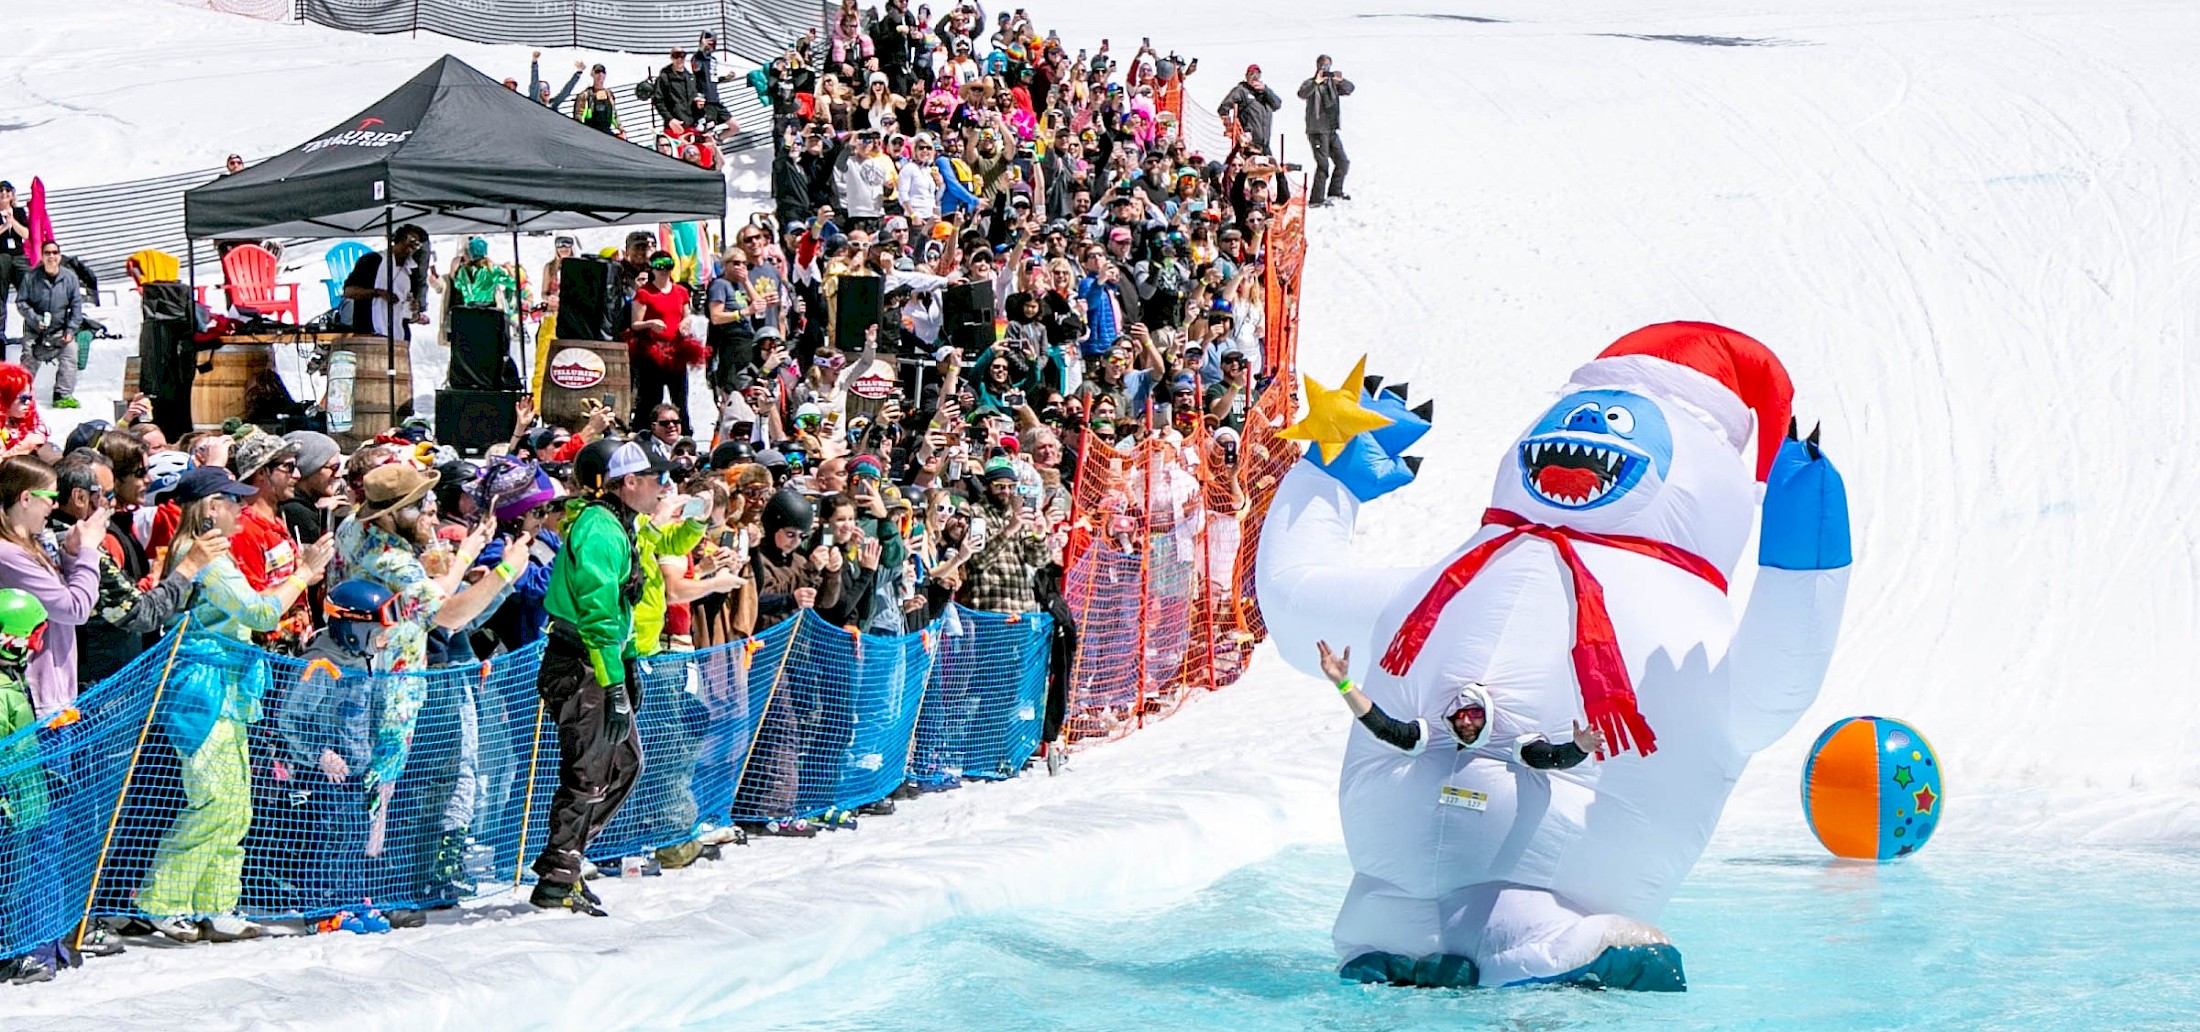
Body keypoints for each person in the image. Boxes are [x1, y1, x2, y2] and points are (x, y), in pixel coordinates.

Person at [138, 465, 333, 943]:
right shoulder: (202, 556)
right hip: (203, 694)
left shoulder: (213, 552)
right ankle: (162, 902)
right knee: (213, 801)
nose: (243, 508)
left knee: (236, 806)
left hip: (229, 691)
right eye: (233, 500)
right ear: (210, 507)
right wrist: (304, 574)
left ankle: (216, 904)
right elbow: (260, 612)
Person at [530, 439, 663, 914]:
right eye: (655, 480)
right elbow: (598, 615)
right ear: (629, 483)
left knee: (624, 764)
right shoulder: (601, 531)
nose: (662, 489)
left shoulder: (621, 525)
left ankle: (565, 859)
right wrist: (612, 686)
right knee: (587, 773)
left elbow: (624, 609)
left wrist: (627, 664)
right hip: (579, 662)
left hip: (602, 661)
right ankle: (558, 877)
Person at [1314, 641, 1604, 766]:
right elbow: (1384, 727)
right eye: (1461, 715)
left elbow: (1550, 758)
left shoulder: (1510, 743)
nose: (1466, 721)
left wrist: (1578, 749)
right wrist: (1343, 683)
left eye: (1475, 714)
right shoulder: (1434, 736)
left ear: (1487, 714)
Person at [628, 250, 704, 433]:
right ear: (652, 269)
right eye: (659, 267)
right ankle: (646, 432)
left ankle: (684, 433)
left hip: (676, 352)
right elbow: (635, 324)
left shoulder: (681, 291)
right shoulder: (645, 293)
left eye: (668, 266)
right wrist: (650, 323)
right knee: (650, 399)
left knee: (680, 398)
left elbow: (687, 316)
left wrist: (686, 323)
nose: (664, 271)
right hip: (653, 353)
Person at [16, 241, 83, 408]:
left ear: (59, 256)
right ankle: (22, 394)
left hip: (59, 331)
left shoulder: (70, 278)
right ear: (42, 256)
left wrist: (71, 330)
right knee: (27, 358)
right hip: (35, 331)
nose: (51, 256)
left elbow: (76, 306)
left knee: (71, 352)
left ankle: (63, 395)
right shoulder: (31, 277)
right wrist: (35, 319)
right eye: (47, 253)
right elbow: (21, 302)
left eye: (54, 253)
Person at [341, 223, 430, 338]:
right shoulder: (372, 261)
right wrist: (378, 293)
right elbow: (349, 292)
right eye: (410, 240)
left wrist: (414, 312)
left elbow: (409, 316)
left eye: (416, 244)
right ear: (398, 238)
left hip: (399, 338)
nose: (412, 246)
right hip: (370, 333)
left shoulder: (411, 273)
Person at [1297, 56, 1354, 206]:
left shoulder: (1333, 84)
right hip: (1316, 130)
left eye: (1328, 66)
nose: (1325, 69)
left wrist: (1340, 80)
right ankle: (1316, 200)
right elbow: (1302, 94)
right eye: (1323, 66)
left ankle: (1335, 191)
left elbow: (1349, 89)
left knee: (1342, 162)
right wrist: (1316, 82)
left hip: (1331, 129)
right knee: (1323, 165)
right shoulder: (1311, 83)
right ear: (1317, 66)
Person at [1218, 65, 1283, 154]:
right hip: (1248, 142)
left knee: (1269, 166)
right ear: (1247, 76)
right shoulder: (1241, 91)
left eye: (1257, 75)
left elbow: (1277, 104)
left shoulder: (1266, 95)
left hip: (1264, 144)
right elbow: (1223, 108)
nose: (1254, 77)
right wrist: (1230, 125)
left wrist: (1266, 89)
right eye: (1251, 74)